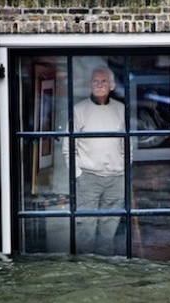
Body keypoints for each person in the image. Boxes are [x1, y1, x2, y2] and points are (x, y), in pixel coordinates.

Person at [63, 65, 125, 255]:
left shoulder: (121, 109)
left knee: (109, 230)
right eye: (96, 81)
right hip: (88, 178)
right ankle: (84, 271)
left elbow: (127, 144)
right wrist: (79, 175)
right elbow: (68, 147)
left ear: (112, 86)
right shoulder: (79, 110)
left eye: (104, 81)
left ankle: (105, 272)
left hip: (116, 178)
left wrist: (125, 168)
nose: (99, 85)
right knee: (86, 229)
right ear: (90, 85)